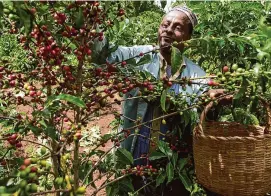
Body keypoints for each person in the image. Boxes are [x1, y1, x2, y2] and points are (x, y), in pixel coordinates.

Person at [105, 5, 222, 195]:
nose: (168, 30)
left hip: (172, 167)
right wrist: (87, 20)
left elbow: (201, 118)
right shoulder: (139, 57)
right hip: (132, 157)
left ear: (188, 38)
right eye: (165, 24)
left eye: (177, 27)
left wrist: (210, 101)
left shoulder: (197, 75)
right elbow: (105, 54)